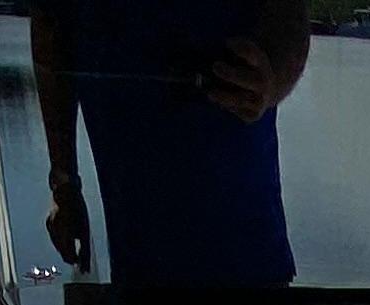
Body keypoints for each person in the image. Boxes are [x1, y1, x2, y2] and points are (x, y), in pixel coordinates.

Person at [28, 0, 310, 287]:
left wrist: (272, 81)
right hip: (136, 265)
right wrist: (64, 183)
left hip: (249, 261)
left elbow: (290, 20)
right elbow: (50, 32)